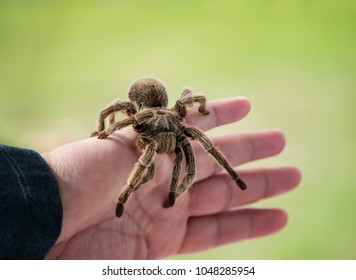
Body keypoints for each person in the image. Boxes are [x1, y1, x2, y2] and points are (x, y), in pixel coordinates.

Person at [0, 97, 301, 259]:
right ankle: (125, 195)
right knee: (149, 159)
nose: (171, 146)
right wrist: (104, 133)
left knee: (191, 158)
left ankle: (186, 188)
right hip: (148, 127)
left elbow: (194, 116)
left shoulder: (180, 124)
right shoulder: (137, 118)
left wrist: (227, 172)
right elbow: (114, 110)